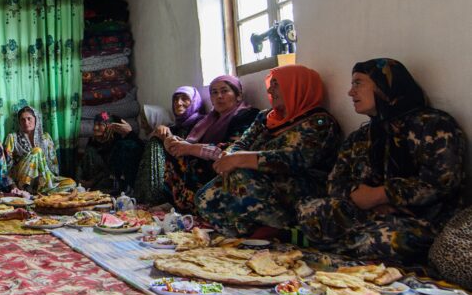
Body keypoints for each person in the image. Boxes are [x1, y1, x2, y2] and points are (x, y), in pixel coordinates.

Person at [298, 59, 465, 263]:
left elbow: (442, 182)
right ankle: (354, 245)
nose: (351, 92)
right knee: (309, 211)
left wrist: (382, 195)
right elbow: (335, 182)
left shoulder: (432, 125)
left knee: (385, 239)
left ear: (385, 84)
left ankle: (351, 246)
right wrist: (358, 196)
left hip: (421, 219)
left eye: (358, 83)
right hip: (366, 212)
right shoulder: (362, 136)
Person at [195, 65, 342, 237]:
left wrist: (242, 159)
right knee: (203, 198)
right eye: (270, 84)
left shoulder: (319, 122)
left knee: (240, 175)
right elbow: (243, 142)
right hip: (257, 179)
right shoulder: (266, 117)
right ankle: (246, 234)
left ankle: (280, 228)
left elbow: (295, 159)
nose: (270, 90)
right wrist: (230, 154)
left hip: (297, 187)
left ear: (295, 86)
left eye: (276, 84)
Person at [163, 76, 259, 213]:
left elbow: (231, 150)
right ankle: (176, 205)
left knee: (193, 160)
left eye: (224, 91)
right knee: (177, 154)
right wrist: (173, 142)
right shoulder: (209, 120)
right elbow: (189, 142)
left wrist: (189, 148)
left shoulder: (247, 116)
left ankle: (196, 208)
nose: (219, 96)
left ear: (238, 95)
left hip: (228, 163)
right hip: (209, 159)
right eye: (214, 92)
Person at [3, 105, 75, 194]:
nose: (26, 122)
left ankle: (40, 191)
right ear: (19, 122)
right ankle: (25, 190)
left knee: (71, 183)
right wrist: (13, 186)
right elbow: (6, 167)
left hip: (43, 179)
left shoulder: (46, 138)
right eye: (23, 119)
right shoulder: (12, 138)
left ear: (36, 119)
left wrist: (52, 179)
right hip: (21, 181)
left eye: (29, 119)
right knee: (37, 151)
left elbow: (53, 164)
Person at [78, 112, 143, 194]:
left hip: (106, 185)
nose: (95, 127)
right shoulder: (92, 142)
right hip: (88, 184)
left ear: (109, 127)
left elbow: (108, 169)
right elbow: (82, 163)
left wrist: (91, 182)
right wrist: (79, 180)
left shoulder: (116, 145)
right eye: (94, 124)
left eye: (100, 124)